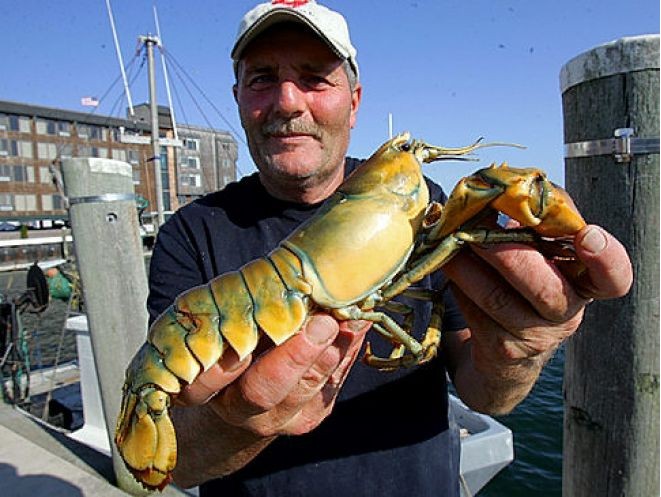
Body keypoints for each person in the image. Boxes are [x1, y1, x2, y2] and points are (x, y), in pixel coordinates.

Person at [146, 2, 633, 496]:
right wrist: (236, 423)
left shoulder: (431, 210)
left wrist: (516, 353)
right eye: (262, 79)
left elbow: (484, 393)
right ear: (237, 97)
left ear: (354, 102)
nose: (288, 101)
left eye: (315, 78)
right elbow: (177, 464)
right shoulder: (188, 235)